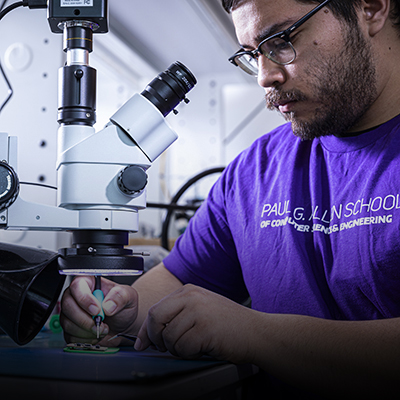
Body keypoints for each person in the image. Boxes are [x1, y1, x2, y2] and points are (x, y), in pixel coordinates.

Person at [60, 0, 400, 397]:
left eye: (283, 39)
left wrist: (254, 333)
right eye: (254, 54)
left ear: (372, 8)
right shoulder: (253, 172)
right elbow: (176, 281)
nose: (265, 76)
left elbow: (246, 331)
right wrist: (116, 313)